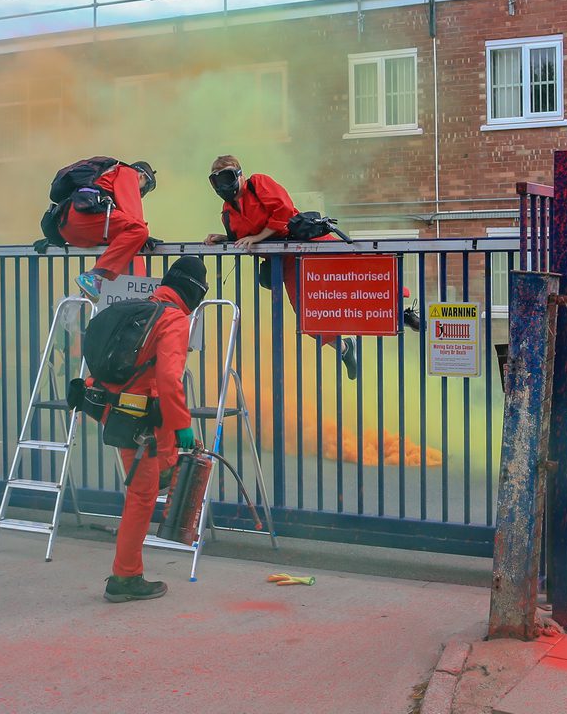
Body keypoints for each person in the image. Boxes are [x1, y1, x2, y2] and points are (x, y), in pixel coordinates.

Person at [101, 255, 208, 603]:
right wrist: (183, 427)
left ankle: (165, 467)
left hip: (116, 410)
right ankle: (125, 577)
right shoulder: (174, 320)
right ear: (195, 293)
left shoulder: (142, 308)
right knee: (142, 496)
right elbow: (168, 380)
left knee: (146, 483)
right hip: (139, 418)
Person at [202, 155, 360, 380]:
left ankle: (402, 312)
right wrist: (223, 239)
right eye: (216, 180)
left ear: (240, 175)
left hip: (307, 246)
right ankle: (345, 348)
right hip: (285, 262)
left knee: (359, 271)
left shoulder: (258, 184)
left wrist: (258, 237)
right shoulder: (228, 211)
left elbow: (284, 212)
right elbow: (243, 238)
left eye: (227, 176)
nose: (223, 185)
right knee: (307, 318)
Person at [61, 159, 160, 303]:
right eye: (145, 187)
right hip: (85, 216)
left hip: (70, 226)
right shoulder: (128, 173)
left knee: (125, 239)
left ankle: (98, 288)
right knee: (139, 230)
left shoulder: (109, 175)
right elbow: (133, 216)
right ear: (142, 176)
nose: (141, 193)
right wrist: (143, 235)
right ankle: (94, 277)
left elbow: (121, 221)